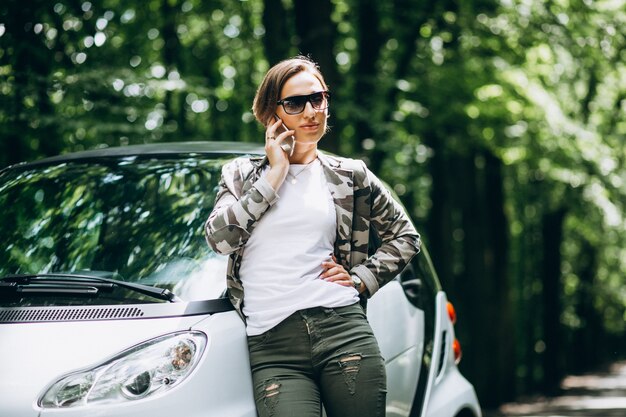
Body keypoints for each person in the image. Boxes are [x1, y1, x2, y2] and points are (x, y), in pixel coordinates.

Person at [205, 55, 420, 417]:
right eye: (295, 102)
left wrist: (360, 279)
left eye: (318, 98)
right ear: (272, 113)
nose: (310, 111)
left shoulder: (350, 176)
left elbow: (405, 236)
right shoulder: (240, 175)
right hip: (273, 346)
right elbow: (220, 239)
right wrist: (275, 174)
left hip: (343, 332)